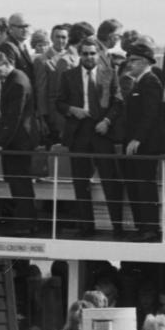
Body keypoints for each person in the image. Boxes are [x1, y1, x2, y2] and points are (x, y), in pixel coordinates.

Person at [55, 37, 123, 238]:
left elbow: (118, 102)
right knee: (80, 183)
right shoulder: (68, 76)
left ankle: (117, 228)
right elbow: (58, 102)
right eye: (85, 53)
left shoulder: (109, 74)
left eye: (92, 53)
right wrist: (71, 110)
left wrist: (107, 122)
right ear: (79, 54)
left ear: (98, 54)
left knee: (110, 182)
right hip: (79, 132)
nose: (89, 57)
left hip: (102, 132)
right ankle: (86, 227)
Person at [0, 51, 38, 236]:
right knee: (17, 183)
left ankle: (26, 224)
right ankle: (25, 222)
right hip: (16, 140)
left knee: (20, 183)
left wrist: (0, 143)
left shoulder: (16, 82)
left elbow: (13, 117)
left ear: (7, 63)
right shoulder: (12, 79)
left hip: (18, 142)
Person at [119, 41, 165, 242]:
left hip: (146, 145)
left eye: (135, 60)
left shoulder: (151, 82)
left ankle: (150, 228)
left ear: (146, 61)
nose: (130, 64)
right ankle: (143, 226)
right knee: (138, 186)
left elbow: (150, 114)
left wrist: (137, 138)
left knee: (145, 187)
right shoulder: (140, 82)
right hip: (137, 143)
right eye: (129, 60)